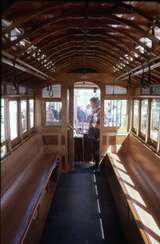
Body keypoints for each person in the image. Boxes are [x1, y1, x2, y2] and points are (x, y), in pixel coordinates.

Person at [88, 97, 101, 171]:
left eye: (91, 103)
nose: (91, 104)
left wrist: (99, 135)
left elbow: (99, 123)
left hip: (97, 135)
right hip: (93, 134)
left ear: (95, 103)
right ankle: (96, 165)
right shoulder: (94, 111)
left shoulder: (99, 111)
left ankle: (98, 166)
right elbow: (93, 122)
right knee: (94, 150)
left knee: (96, 151)